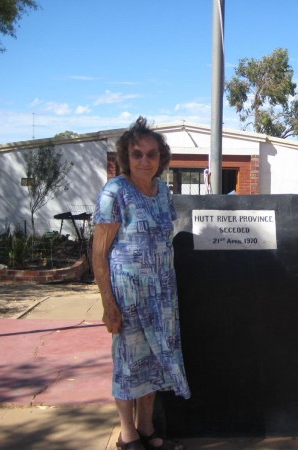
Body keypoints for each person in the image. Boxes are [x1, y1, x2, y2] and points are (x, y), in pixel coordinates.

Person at [93, 117, 190, 450]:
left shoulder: (163, 190)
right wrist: (108, 303)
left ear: (161, 158)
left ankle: (146, 428)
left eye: (152, 154)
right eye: (137, 154)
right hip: (128, 294)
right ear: (126, 157)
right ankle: (127, 435)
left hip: (162, 293)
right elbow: (99, 253)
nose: (145, 161)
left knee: (153, 362)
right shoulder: (115, 191)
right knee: (128, 363)